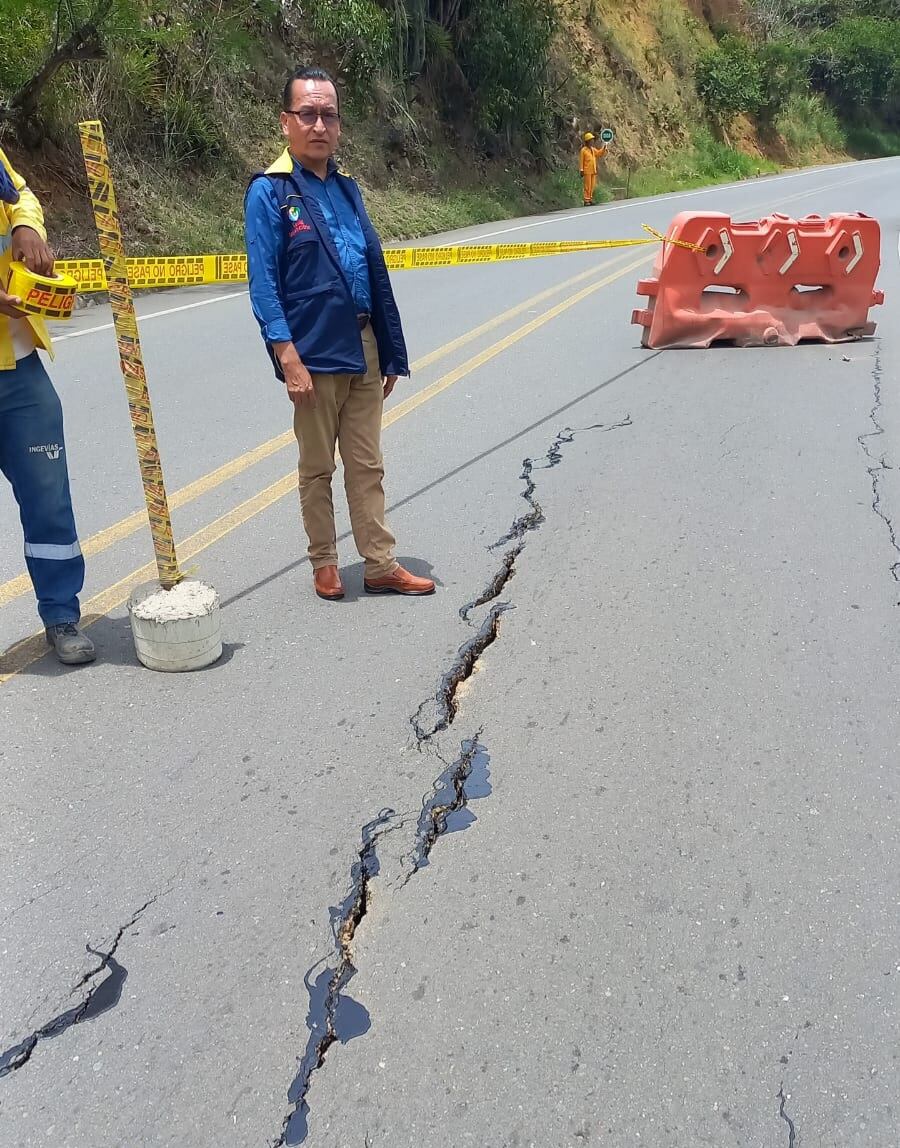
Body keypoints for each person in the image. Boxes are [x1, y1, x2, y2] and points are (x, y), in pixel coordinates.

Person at [244, 65, 435, 602]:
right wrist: (286, 355)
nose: (319, 125)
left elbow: (372, 271)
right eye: (307, 114)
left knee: (367, 464)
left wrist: (389, 351)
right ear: (285, 121)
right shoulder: (269, 192)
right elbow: (263, 283)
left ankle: (379, 564)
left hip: (364, 344)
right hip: (312, 350)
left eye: (328, 115)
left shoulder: (348, 189)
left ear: (339, 125)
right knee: (317, 467)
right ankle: (324, 561)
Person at [0, 147, 94, 664]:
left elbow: (20, 192)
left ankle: (61, 614)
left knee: (48, 501)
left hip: (19, 370)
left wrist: (26, 225)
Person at [579, 132, 607, 207]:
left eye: (592, 140)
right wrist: (581, 170)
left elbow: (599, 153)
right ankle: (586, 200)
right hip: (587, 171)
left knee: (592, 186)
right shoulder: (583, 150)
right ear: (587, 141)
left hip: (593, 170)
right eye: (591, 140)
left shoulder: (592, 149)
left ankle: (590, 199)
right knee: (587, 186)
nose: (592, 141)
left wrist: (604, 148)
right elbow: (581, 161)